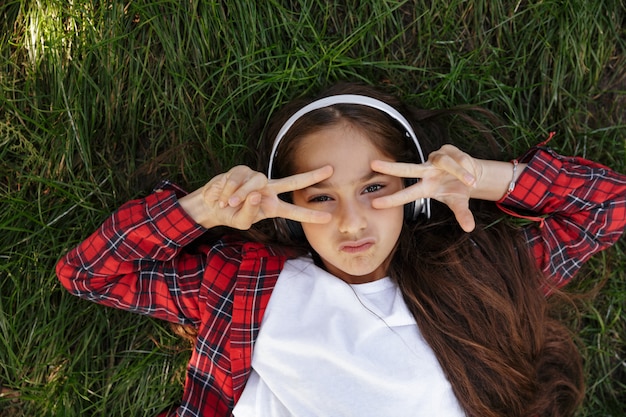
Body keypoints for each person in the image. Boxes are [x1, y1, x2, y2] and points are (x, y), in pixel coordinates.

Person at [56, 82, 626, 417]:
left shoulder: (478, 280)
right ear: (285, 204)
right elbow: (89, 274)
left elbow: (610, 207)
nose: (352, 221)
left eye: (373, 188)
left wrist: (480, 178)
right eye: (321, 196)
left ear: (412, 190)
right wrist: (202, 211)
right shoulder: (247, 286)